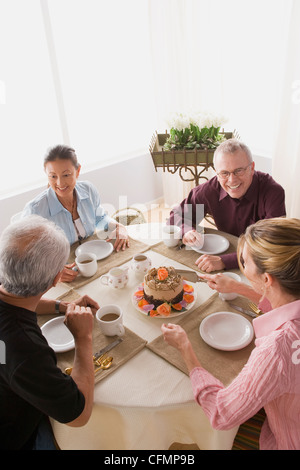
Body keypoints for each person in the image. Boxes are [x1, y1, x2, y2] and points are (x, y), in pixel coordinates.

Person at [161, 217, 300, 450]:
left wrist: (186, 350)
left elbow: (221, 414)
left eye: (244, 263)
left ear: (266, 279)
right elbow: (283, 300)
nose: (242, 267)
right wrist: (237, 287)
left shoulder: (277, 351)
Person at [0, 215, 100, 450]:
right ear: (57, 279)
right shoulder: (25, 348)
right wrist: (83, 338)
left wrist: (61, 306)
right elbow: (78, 415)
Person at [168, 139, 286, 272]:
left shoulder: (273, 192)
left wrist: (225, 261)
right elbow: (176, 216)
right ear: (216, 173)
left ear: (252, 168)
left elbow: (272, 246)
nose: (232, 180)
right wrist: (187, 231)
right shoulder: (209, 190)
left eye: (239, 171)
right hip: (226, 257)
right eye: (224, 173)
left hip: (261, 265)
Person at [21, 145, 130, 282]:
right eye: (53, 176)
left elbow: (100, 218)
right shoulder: (35, 210)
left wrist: (119, 227)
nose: (60, 183)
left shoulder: (88, 190)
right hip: (61, 275)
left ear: (77, 171)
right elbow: (24, 256)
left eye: (66, 175)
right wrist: (52, 272)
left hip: (94, 260)